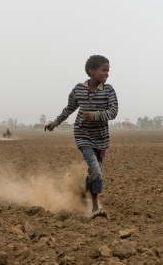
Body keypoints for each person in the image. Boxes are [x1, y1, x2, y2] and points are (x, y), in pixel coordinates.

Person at [44, 55, 118, 214]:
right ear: (91, 71)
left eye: (108, 71)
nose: (106, 74)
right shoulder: (79, 89)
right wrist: (56, 122)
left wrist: (96, 115)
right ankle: (95, 206)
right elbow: (69, 108)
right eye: (103, 70)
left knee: (94, 170)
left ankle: (82, 192)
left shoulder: (109, 90)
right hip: (83, 135)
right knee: (96, 169)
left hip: (102, 138)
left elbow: (113, 112)